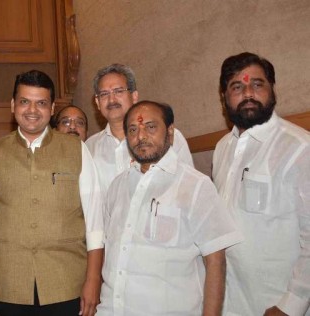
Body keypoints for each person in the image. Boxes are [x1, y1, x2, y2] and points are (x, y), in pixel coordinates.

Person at [98, 100, 242, 316]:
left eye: (151, 126)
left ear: (171, 132)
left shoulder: (195, 185)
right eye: (133, 129)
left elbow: (215, 262)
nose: (141, 136)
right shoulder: (117, 186)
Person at [0, 70, 104, 316]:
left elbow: (95, 223)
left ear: (51, 109)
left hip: (66, 282)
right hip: (9, 283)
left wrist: (93, 280)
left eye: (41, 103)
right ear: (12, 106)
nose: (32, 110)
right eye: (24, 101)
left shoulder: (76, 149)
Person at [213, 52, 310, 316]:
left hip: (276, 304)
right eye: (237, 86)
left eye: (257, 84)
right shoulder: (222, 149)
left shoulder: (299, 148)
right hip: (229, 301)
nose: (248, 93)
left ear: (272, 90)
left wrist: (291, 303)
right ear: (224, 98)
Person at [86, 63, 194, 193]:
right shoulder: (89, 147)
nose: (112, 99)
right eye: (104, 94)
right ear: (97, 102)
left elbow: (188, 187)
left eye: (119, 91)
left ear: (134, 96)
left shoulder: (168, 137)